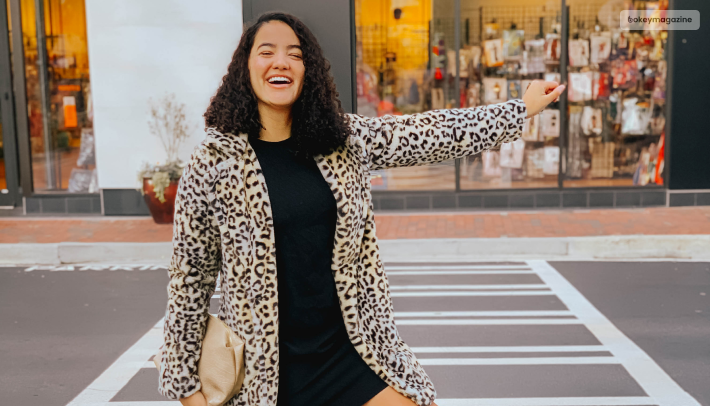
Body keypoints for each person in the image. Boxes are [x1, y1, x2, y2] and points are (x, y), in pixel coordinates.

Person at [157, 12, 564, 406]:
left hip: (350, 354)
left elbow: (427, 134)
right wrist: (186, 388)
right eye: (266, 51)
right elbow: (190, 276)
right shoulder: (213, 161)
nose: (281, 62)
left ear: (308, 71)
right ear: (244, 67)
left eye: (295, 54)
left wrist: (518, 109)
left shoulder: (341, 140)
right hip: (265, 376)